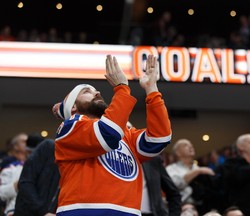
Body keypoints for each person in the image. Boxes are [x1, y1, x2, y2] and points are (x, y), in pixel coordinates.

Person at [52, 54, 172, 216]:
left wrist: (152, 89)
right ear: (73, 107)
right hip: (83, 212)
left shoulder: (124, 134)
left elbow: (159, 139)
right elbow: (107, 133)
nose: (97, 93)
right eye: (87, 91)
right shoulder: (70, 127)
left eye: (96, 90)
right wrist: (122, 87)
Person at [165, 139, 216, 215]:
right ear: (178, 153)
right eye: (186, 145)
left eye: (191, 145)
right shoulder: (171, 169)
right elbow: (175, 185)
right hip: (180, 208)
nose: (191, 147)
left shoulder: (198, 168)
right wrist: (197, 172)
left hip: (202, 208)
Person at [14, 138, 60, 216]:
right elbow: (25, 182)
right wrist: (43, 212)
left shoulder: (75, 162)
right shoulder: (48, 147)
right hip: (28, 211)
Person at [0, 133, 28, 216]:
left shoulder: (34, 163)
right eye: (24, 141)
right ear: (15, 146)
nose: (27, 143)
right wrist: (16, 186)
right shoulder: (6, 164)